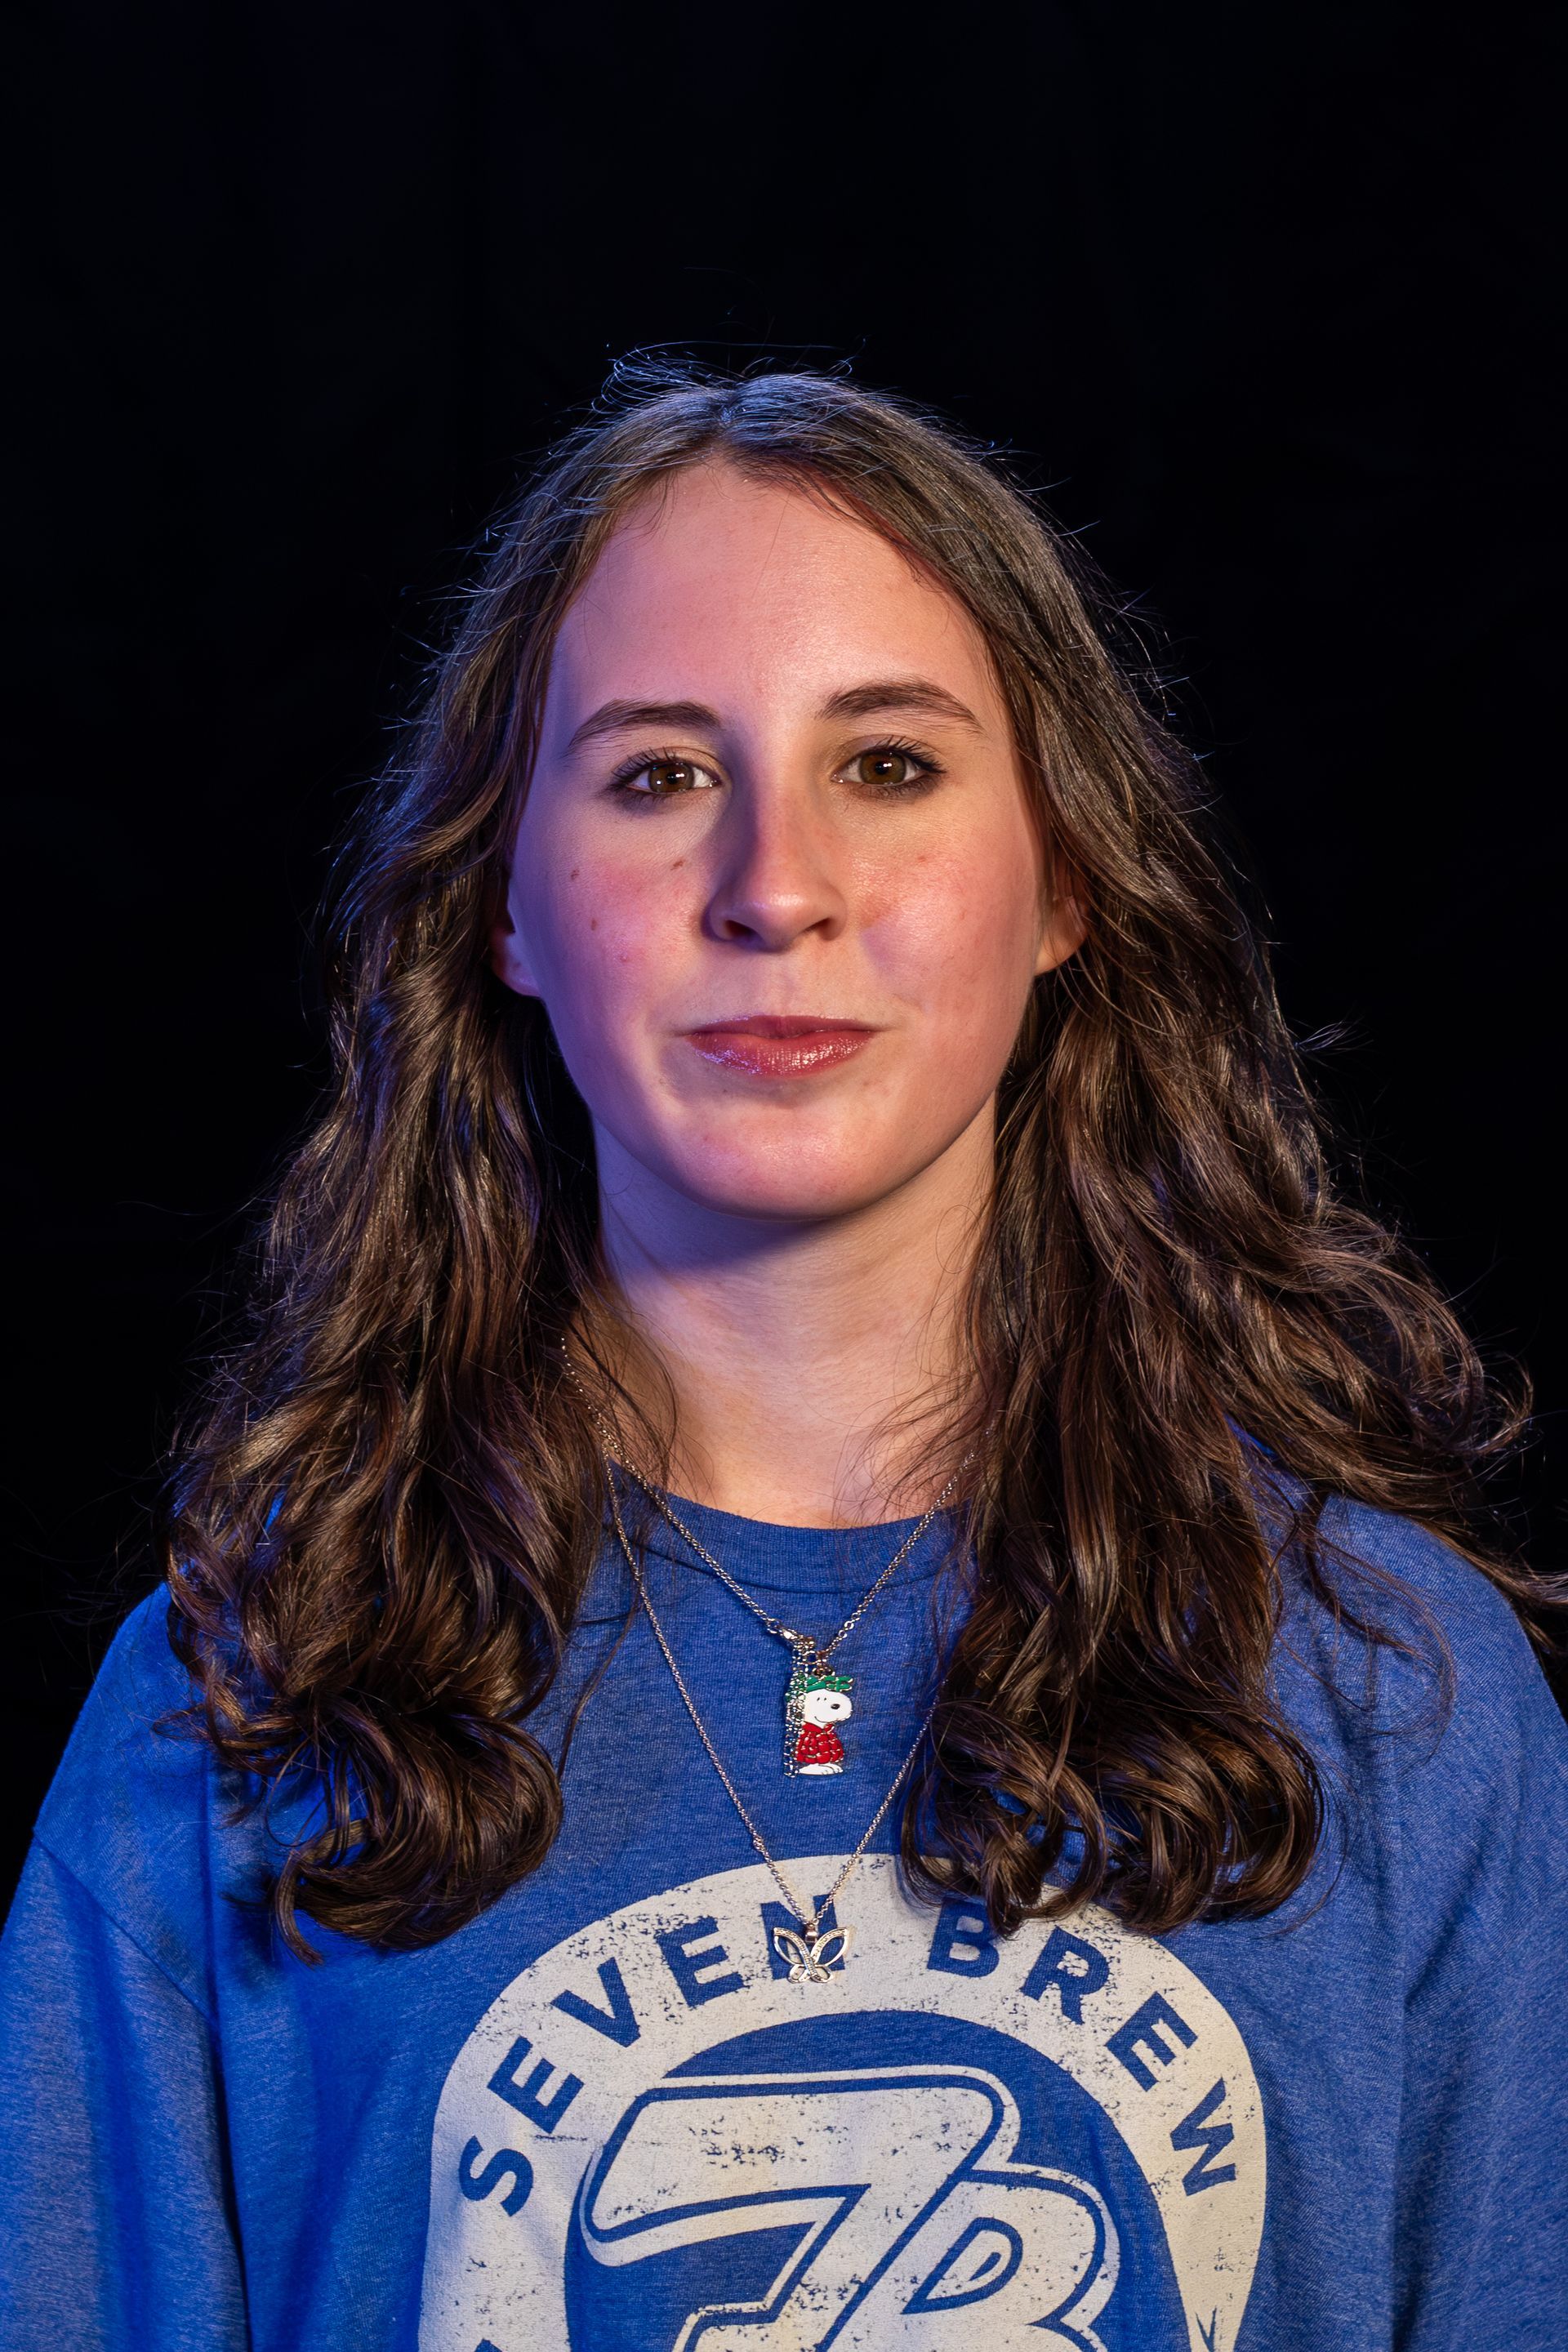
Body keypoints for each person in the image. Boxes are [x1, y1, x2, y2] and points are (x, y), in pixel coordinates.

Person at [2, 367, 1564, 2352]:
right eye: (660, 775)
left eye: (890, 765)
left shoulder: (1392, 1690)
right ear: (505, 907)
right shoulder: (237, 1706)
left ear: (1067, 876)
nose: (777, 888)